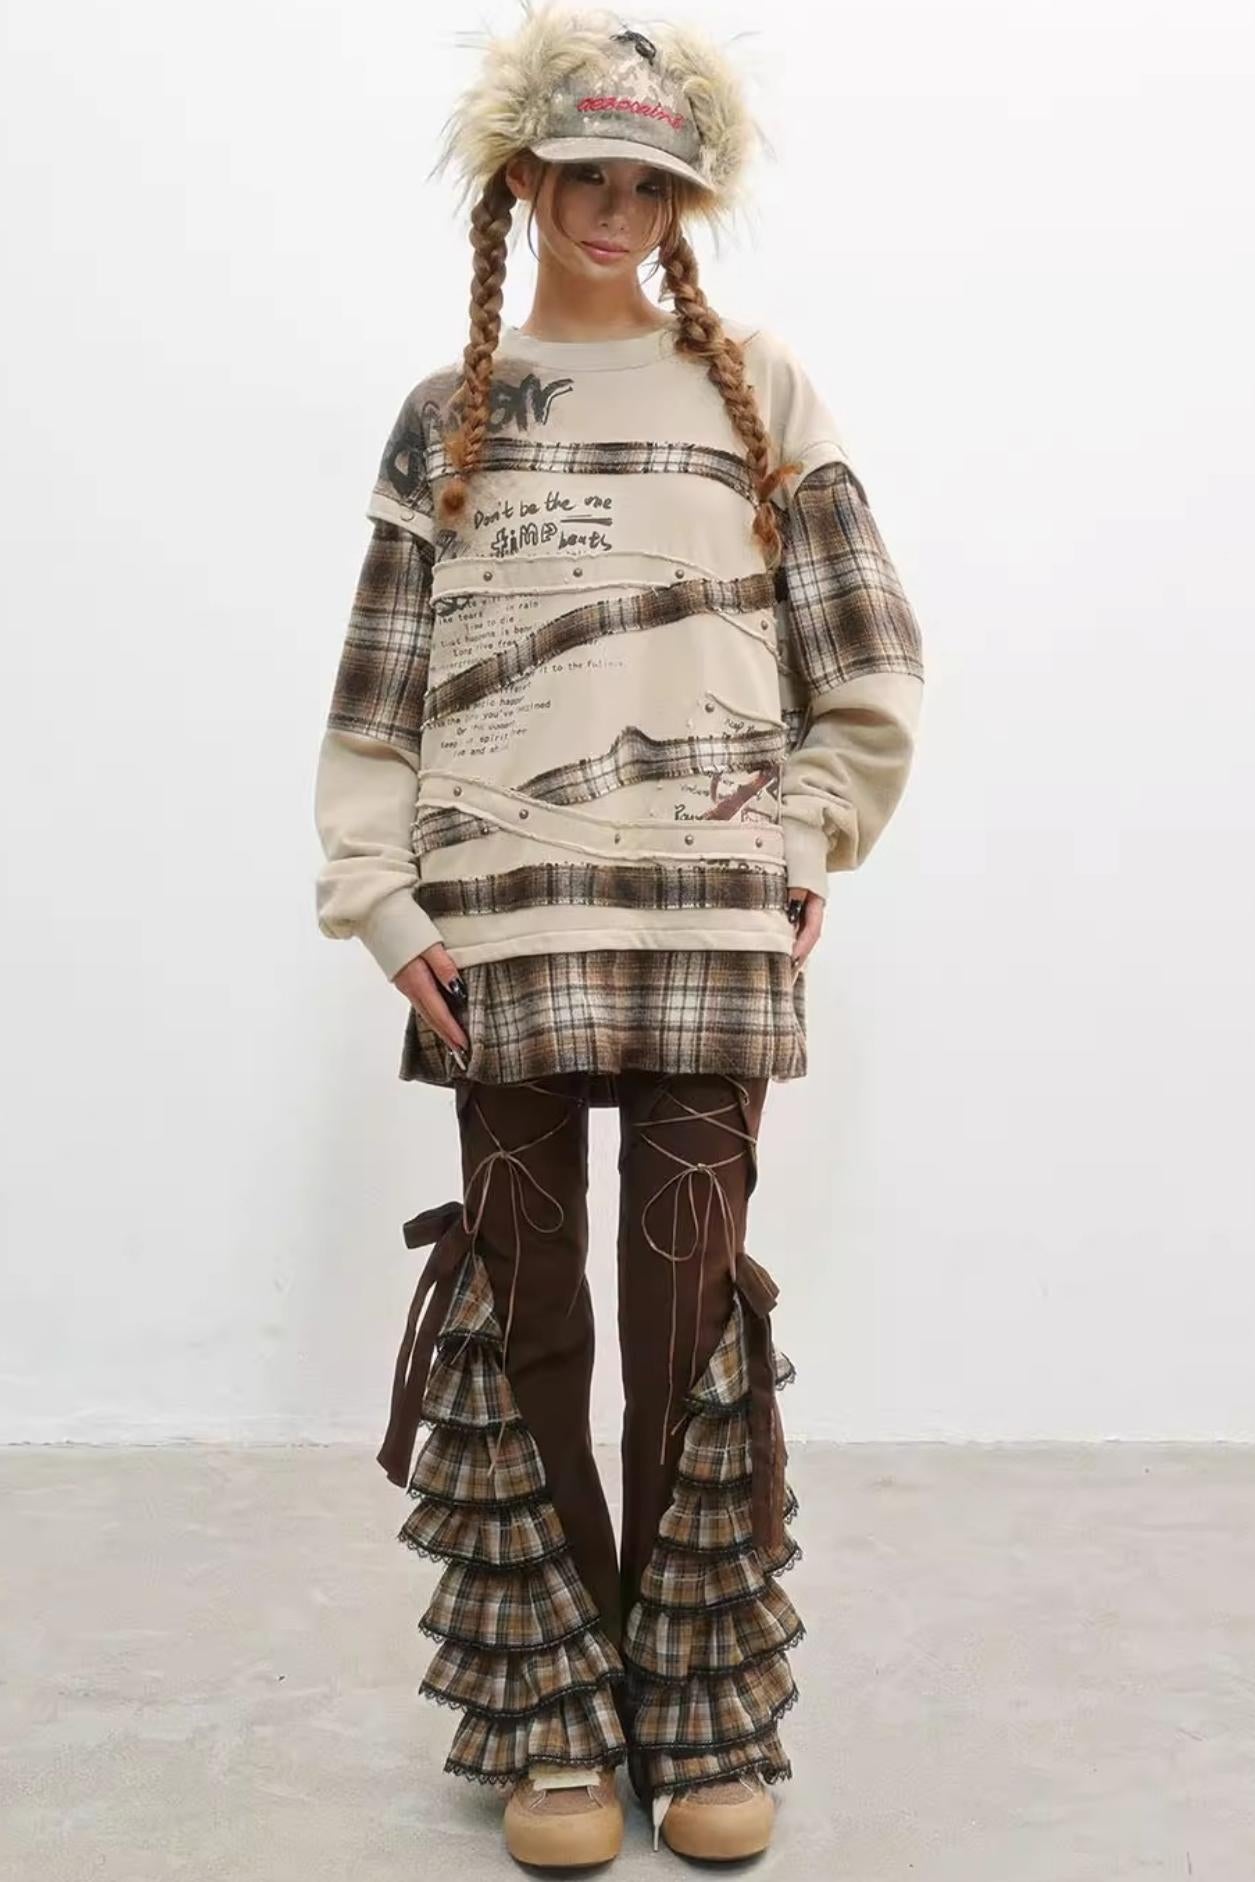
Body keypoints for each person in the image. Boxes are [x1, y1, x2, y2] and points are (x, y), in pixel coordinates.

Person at [313, 2, 924, 1865]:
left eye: (650, 184)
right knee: (528, 1318)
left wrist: (806, 832)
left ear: (683, 203)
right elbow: (378, 693)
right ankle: (556, 1716)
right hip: (493, 935)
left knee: (690, 1318)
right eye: (584, 173)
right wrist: (377, 897)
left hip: (707, 933)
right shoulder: (447, 417)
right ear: (524, 178)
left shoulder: (763, 391)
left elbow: (868, 656)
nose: (614, 208)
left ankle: (696, 1698)